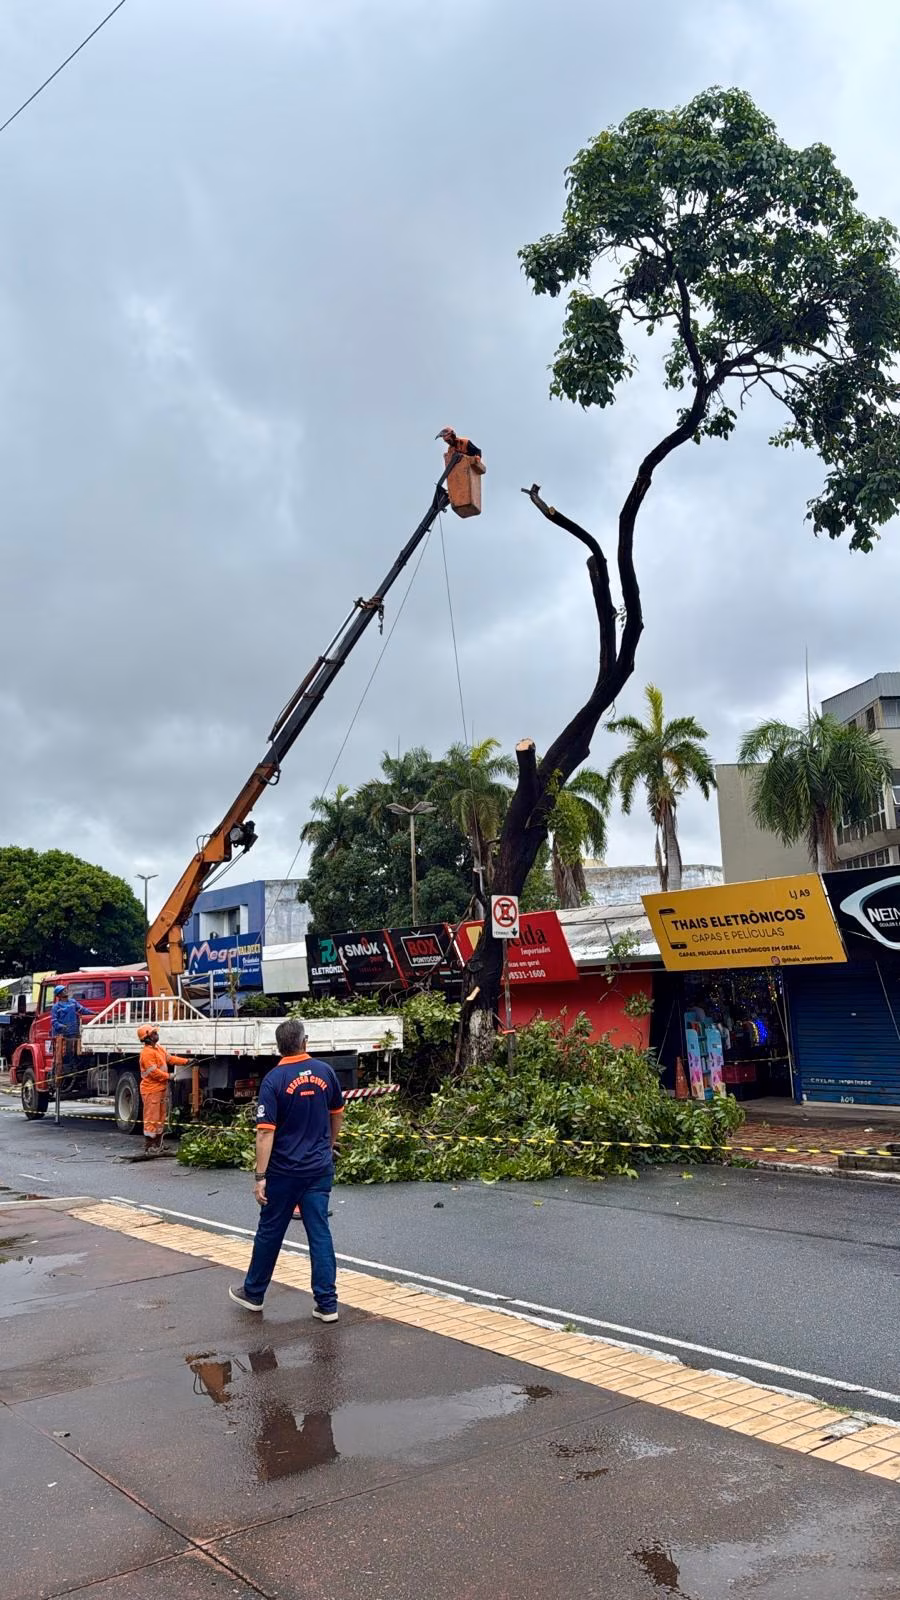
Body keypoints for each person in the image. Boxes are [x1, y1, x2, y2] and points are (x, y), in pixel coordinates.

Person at [229, 1017, 343, 1320]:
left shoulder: (274, 1080)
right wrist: (328, 1145)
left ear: (279, 1047)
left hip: (283, 1172)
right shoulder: (325, 1072)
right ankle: (327, 1303)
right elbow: (337, 1113)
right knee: (319, 1232)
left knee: (270, 1232)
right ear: (305, 1042)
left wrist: (260, 1176)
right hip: (319, 1169)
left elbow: (265, 1131)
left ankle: (254, 1293)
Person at [136, 1024, 189, 1153]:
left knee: (160, 1117)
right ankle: (149, 1145)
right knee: (151, 1117)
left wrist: (187, 1061)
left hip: (160, 1088)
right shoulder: (147, 1053)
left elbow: (170, 1059)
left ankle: (158, 1144)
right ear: (147, 1038)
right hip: (151, 1089)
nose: (156, 1035)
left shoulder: (158, 1049)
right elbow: (153, 1073)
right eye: (154, 1033)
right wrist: (168, 1076)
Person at [50, 985, 91, 1075]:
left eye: (66, 990)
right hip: (63, 1036)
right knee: (66, 1055)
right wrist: (61, 1026)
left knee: (75, 1053)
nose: (66, 991)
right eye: (63, 991)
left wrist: (93, 1013)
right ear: (59, 995)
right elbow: (54, 1021)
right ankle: (64, 1070)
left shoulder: (73, 1002)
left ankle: (75, 1068)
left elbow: (82, 1010)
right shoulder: (56, 1007)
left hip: (74, 1033)